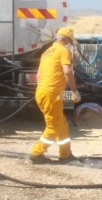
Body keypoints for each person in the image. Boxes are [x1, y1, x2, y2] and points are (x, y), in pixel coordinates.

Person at [29, 27, 82, 164]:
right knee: (53, 126)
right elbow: (67, 72)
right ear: (66, 39)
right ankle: (36, 153)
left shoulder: (46, 52)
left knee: (61, 123)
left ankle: (65, 154)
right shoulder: (64, 51)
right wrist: (74, 91)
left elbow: (39, 75)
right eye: (70, 41)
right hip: (51, 93)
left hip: (42, 92)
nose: (69, 44)